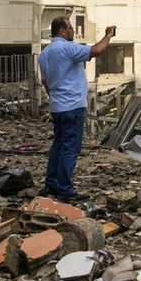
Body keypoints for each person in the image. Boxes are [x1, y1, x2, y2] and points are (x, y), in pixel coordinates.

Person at [37, 16, 115, 201]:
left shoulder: (44, 54)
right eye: (70, 28)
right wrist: (108, 35)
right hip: (72, 107)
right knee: (70, 149)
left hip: (57, 107)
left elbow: (45, 82)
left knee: (58, 144)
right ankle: (65, 189)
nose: (73, 31)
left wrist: (56, 98)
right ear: (62, 31)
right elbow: (97, 50)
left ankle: (52, 184)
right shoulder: (68, 47)